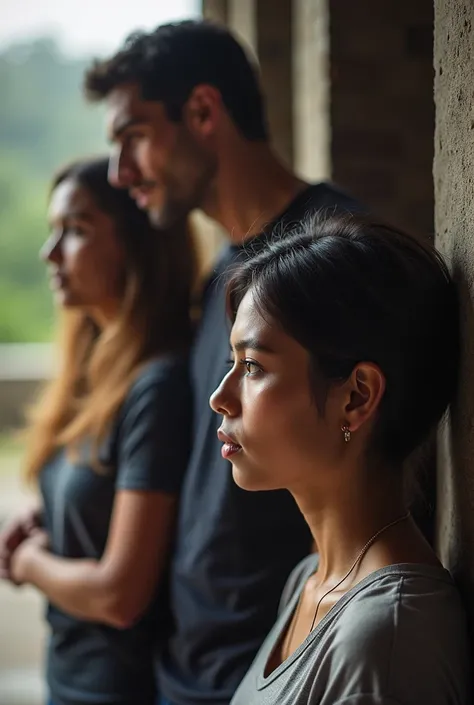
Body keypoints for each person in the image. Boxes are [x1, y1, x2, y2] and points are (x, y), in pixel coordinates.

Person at [83, 20, 363, 705]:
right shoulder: (222, 279)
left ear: (203, 112)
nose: (121, 174)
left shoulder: (337, 252)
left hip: (265, 668)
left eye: (133, 137)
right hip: (183, 671)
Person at [210, 213, 470, 705]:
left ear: (356, 397)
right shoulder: (308, 584)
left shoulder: (388, 636)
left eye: (252, 366)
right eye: (233, 363)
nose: (220, 398)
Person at [0, 157, 195, 705]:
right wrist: (48, 518)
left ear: (135, 245)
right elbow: (100, 499)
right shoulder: (94, 368)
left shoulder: (157, 386)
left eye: (76, 231)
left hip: (117, 689)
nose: (50, 253)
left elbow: (120, 596)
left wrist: (27, 562)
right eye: (52, 231)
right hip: (70, 677)